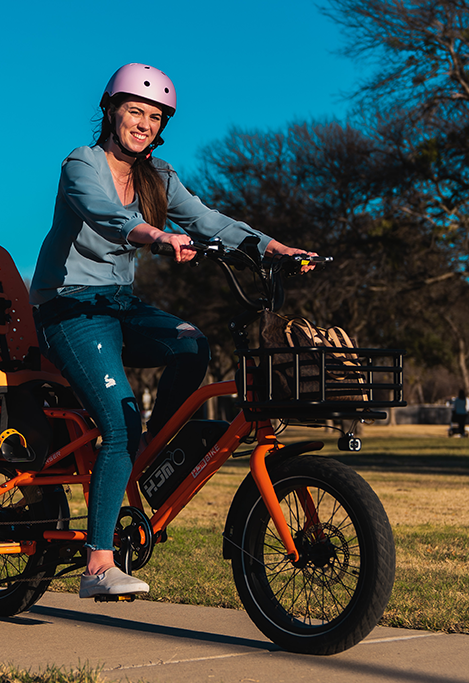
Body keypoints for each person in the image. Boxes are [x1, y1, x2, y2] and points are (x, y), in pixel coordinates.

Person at [30, 63, 316, 599]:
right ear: (110, 111)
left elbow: (209, 221)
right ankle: (98, 564)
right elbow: (104, 216)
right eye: (134, 110)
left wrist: (273, 248)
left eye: (154, 116)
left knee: (191, 342)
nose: (143, 123)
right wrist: (157, 237)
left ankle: (149, 456)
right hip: (69, 308)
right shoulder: (81, 163)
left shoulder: (158, 176)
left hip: (119, 304)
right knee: (120, 421)